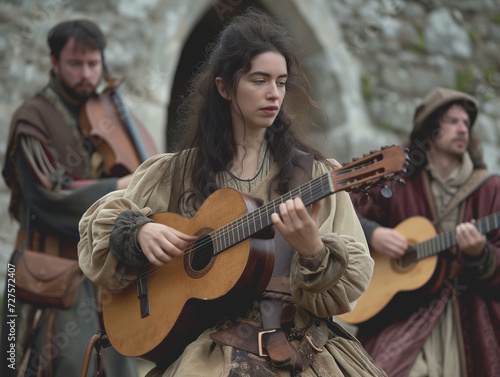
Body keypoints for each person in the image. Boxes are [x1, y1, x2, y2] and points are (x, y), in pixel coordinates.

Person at [78, 8, 387, 377]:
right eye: (259, 80)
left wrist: (314, 252)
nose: (274, 93)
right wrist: (138, 231)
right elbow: (97, 225)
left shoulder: (316, 175)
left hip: (298, 344)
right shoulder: (177, 171)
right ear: (224, 87)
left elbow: (352, 282)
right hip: (207, 349)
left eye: (281, 82)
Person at [1, 19, 143, 377]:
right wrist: (117, 187)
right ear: (54, 62)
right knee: (62, 363)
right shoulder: (33, 118)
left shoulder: (104, 114)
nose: (86, 73)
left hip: (106, 273)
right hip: (52, 268)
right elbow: (49, 193)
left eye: (94, 64)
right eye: (75, 64)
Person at [350, 87, 500, 377]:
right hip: (401, 310)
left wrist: (481, 254)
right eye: (452, 121)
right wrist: (373, 233)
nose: (462, 129)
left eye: (467, 124)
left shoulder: (490, 189)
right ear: (430, 128)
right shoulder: (396, 181)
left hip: (466, 314)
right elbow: (344, 216)